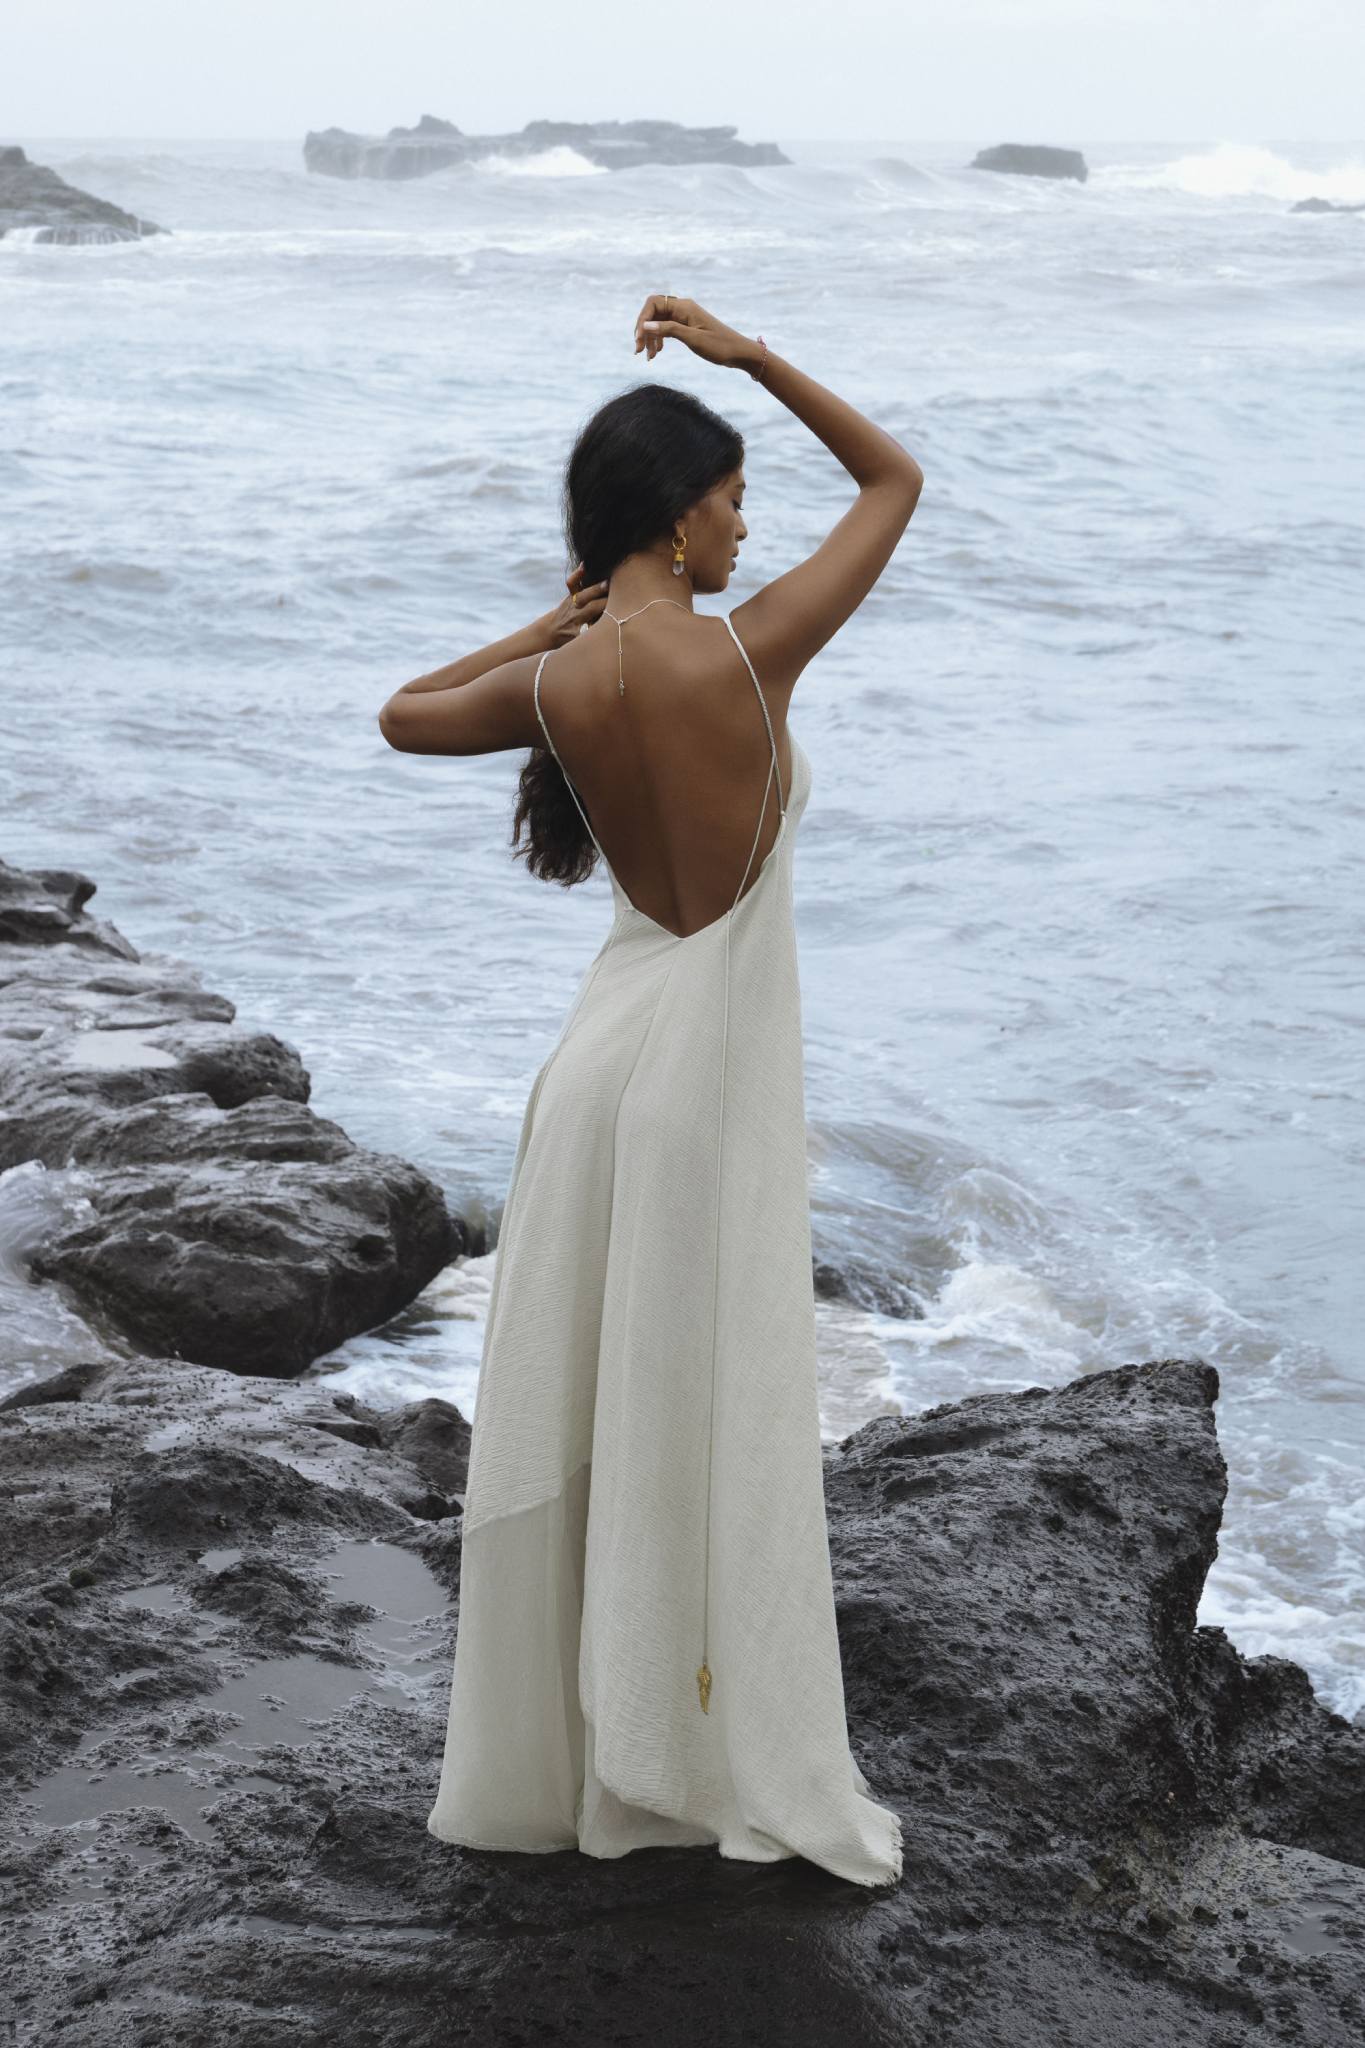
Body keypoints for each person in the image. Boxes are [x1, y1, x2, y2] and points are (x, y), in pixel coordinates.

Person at [379, 294, 923, 1886]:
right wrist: (752, 360)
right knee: (708, 1418)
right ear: (679, 511)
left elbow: (403, 717)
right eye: (736, 496)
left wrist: (539, 633)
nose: (748, 524)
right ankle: (687, 1749)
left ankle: (604, 1750)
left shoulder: (565, 687)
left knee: (609, 1416)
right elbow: (892, 484)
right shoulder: (748, 656)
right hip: (702, 1091)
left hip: (599, 1077)